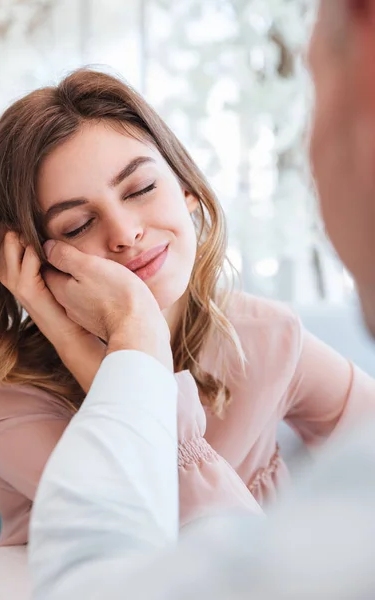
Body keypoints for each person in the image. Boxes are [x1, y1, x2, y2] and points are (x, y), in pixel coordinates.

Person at [27, 0, 375, 599]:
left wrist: (130, 349)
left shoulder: (266, 336)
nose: (126, 233)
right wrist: (130, 360)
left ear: (187, 190)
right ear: (35, 264)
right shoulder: (7, 388)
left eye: (140, 188)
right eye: (77, 226)